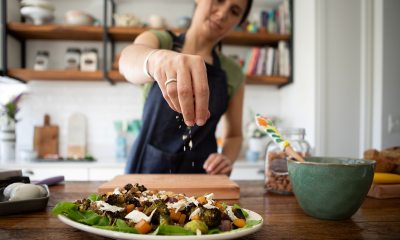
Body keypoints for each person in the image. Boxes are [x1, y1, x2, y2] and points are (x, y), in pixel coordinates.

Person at [119, 0, 252, 175]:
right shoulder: (161, 41)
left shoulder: (233, 73)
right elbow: (127, 61)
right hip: (148, 170)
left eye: (234, 11)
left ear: (239, 23)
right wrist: (156, 60)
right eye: (219, 1)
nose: (222, 14)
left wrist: (226, 158)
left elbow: (234, 135)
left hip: (202, 177)